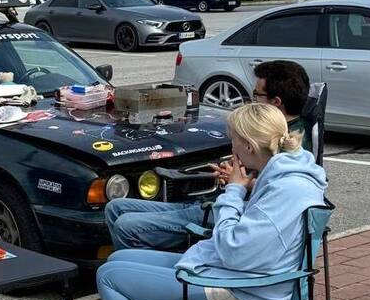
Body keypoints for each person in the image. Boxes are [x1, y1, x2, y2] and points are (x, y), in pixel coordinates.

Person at [94, 102, 327, 300]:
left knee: (110, 277)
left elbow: (233, 248)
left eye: (233, 140)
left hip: (246, 298)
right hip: (257, 283)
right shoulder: (293, 172)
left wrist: (234, 192)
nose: (231, 148)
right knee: (121, 259)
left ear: (247, 146)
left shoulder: (284, 189)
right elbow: (260, 233)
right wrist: (248, 186)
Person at [105, 59, 311, 252]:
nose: (252, 100)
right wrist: (236, 178)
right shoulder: (280, 132)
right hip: (215, 203)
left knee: (126, 225)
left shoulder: (287, 141)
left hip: (226, 214)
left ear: (276, 102)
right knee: (115, 208)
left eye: (257, 95)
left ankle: (146, 269)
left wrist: (239, 185)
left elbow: (275, 196)